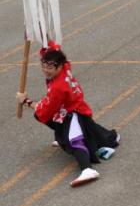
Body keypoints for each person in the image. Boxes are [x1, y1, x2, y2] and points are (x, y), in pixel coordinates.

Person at [15, 42, 120, 188]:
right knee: (88, 128)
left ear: (58, 66)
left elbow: (45, 109)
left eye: (50, 67)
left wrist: (25, 101)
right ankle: (111, 138)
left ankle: (87, 169)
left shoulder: (58, 87)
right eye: (43, 66)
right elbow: (53, 49)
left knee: (74, 140)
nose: (45, 70)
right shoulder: (65, 66)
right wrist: (44, 36)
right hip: (76, 107)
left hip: (72, 113)